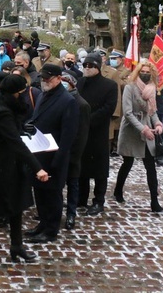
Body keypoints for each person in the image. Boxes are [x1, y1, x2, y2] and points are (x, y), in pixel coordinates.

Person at [0, 74, 49, 267]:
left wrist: (24, 128)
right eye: (21, 92)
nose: (23, 95)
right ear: (14, 92)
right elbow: (14, 141)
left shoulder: (2, 97)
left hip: (10, 163)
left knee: (16, 205)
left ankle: (16, 245)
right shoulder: (0, 111)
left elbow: (16, 129)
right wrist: (38, 168)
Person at [25, 64, 79, 244]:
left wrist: (58, 160)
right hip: (40, 152)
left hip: (55, 156)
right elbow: (37, 118)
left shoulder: (67, 101)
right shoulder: (43, 95)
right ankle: (43, 224)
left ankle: (51, 230)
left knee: (52, 195)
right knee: (40, 193)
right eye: (43, 78)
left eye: (48, 78)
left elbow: (68, 135)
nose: (45, 82)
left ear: (58, 78)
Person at [113, 60, 163, 213]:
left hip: (147, 128)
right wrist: (143, 129)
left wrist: (158, 124)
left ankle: (154, 201)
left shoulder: (151, 88)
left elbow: (152, 111)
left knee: (150, 167)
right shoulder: (130, 87)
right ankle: (118, 190)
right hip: (131, 130)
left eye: (148, 72)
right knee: (127, 163)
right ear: (138, 72)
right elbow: (127, 113)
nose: (145, 74)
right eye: (143, 72)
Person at [77, 53, 118, 216]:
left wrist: (88, 120)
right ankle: (81, 198)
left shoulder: (109, 85)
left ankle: (98, 200)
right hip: (81, 131)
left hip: (98, 131)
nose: (87, 68)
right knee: (82, 167)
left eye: (91, 66)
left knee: (100, 169)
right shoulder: (80, 83)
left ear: (98, 67)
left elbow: (108, 108)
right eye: (85, 65)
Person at [60, 70, 90, 231]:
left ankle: (71, 214)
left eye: (66, 81)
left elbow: (82, 133)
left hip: (72, 153)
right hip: (58, 151)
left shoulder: (82, 104)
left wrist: (74, 155)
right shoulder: (57, 99)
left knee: (72, 184)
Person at [102, 49, 131, 156]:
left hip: (122, 102)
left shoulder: (126, 71)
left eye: (115, 59)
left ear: (122, 60)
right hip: (110, 100)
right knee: (111, 127)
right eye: (111, 59)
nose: (113, 61)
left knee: (118, 126)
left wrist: (118, 78)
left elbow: (127, 85)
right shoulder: (108, 70)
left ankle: (116, 146)